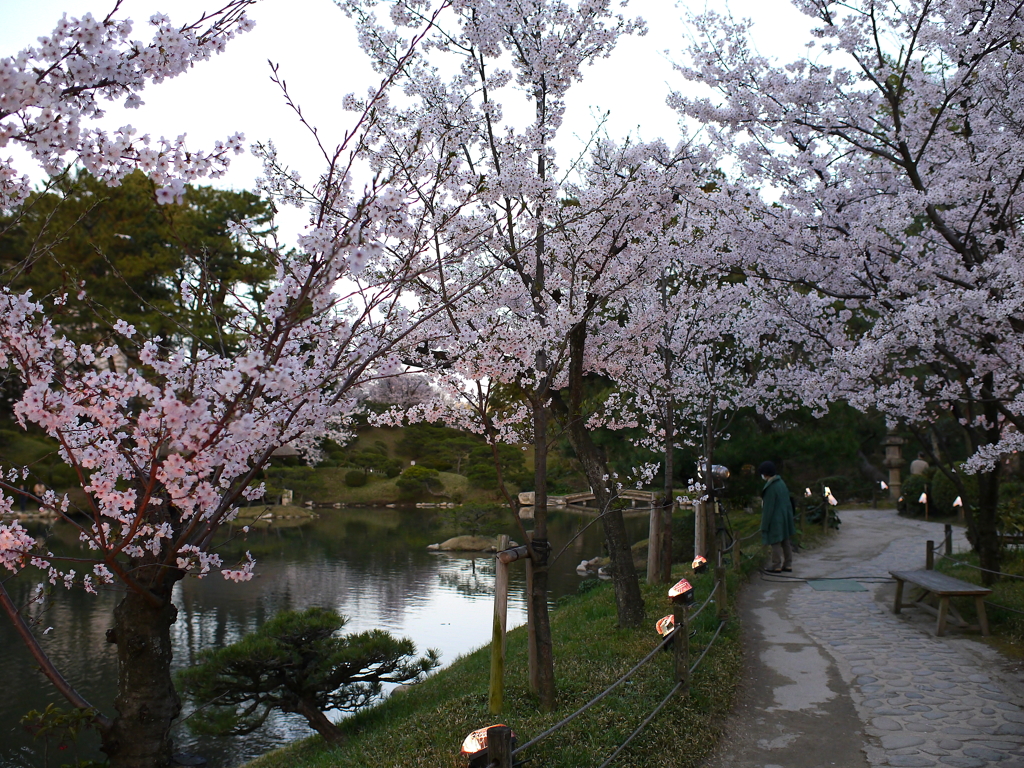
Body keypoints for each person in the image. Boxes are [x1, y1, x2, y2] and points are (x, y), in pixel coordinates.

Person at [759, 461, 796, 573]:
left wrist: (764, 524)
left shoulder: (771, 487)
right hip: (785, 516)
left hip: (776, 518)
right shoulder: (781, 483)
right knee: (785, 541)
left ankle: (776, 564)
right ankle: (788, 563)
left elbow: (768, 508)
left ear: (765, 474)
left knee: (775, 541)